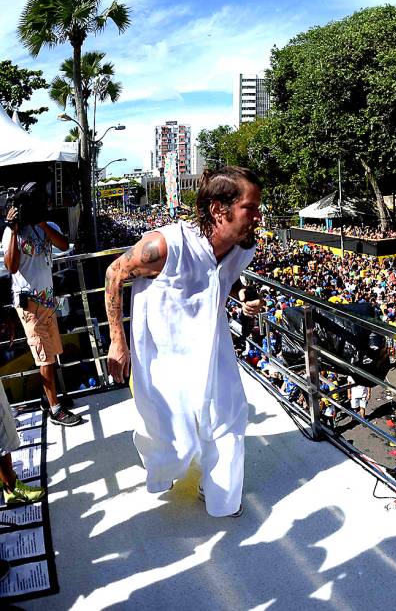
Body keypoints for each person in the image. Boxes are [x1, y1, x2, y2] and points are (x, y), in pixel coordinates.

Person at [103, 166, 263, 518]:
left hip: (213, 348)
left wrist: (241, 294)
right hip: (164, 356)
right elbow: (114, 274)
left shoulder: (243, 246)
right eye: (250, 208)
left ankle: (218, 493)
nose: (258, 215)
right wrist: (117, 342)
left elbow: (219, 278)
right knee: (176, 441)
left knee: (229, 421)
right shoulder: (163, 245)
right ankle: (163, 471)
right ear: (220, 210)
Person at [2, 197, 83, 426]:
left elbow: (63, 246)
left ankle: (48, 401)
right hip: (29, 305)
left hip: (47, 302)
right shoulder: (12, 233)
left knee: (52, 353)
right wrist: (14, 230)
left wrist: (43, 224)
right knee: (44, 357)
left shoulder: (46, 226)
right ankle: (56, 410)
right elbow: (11, 266)